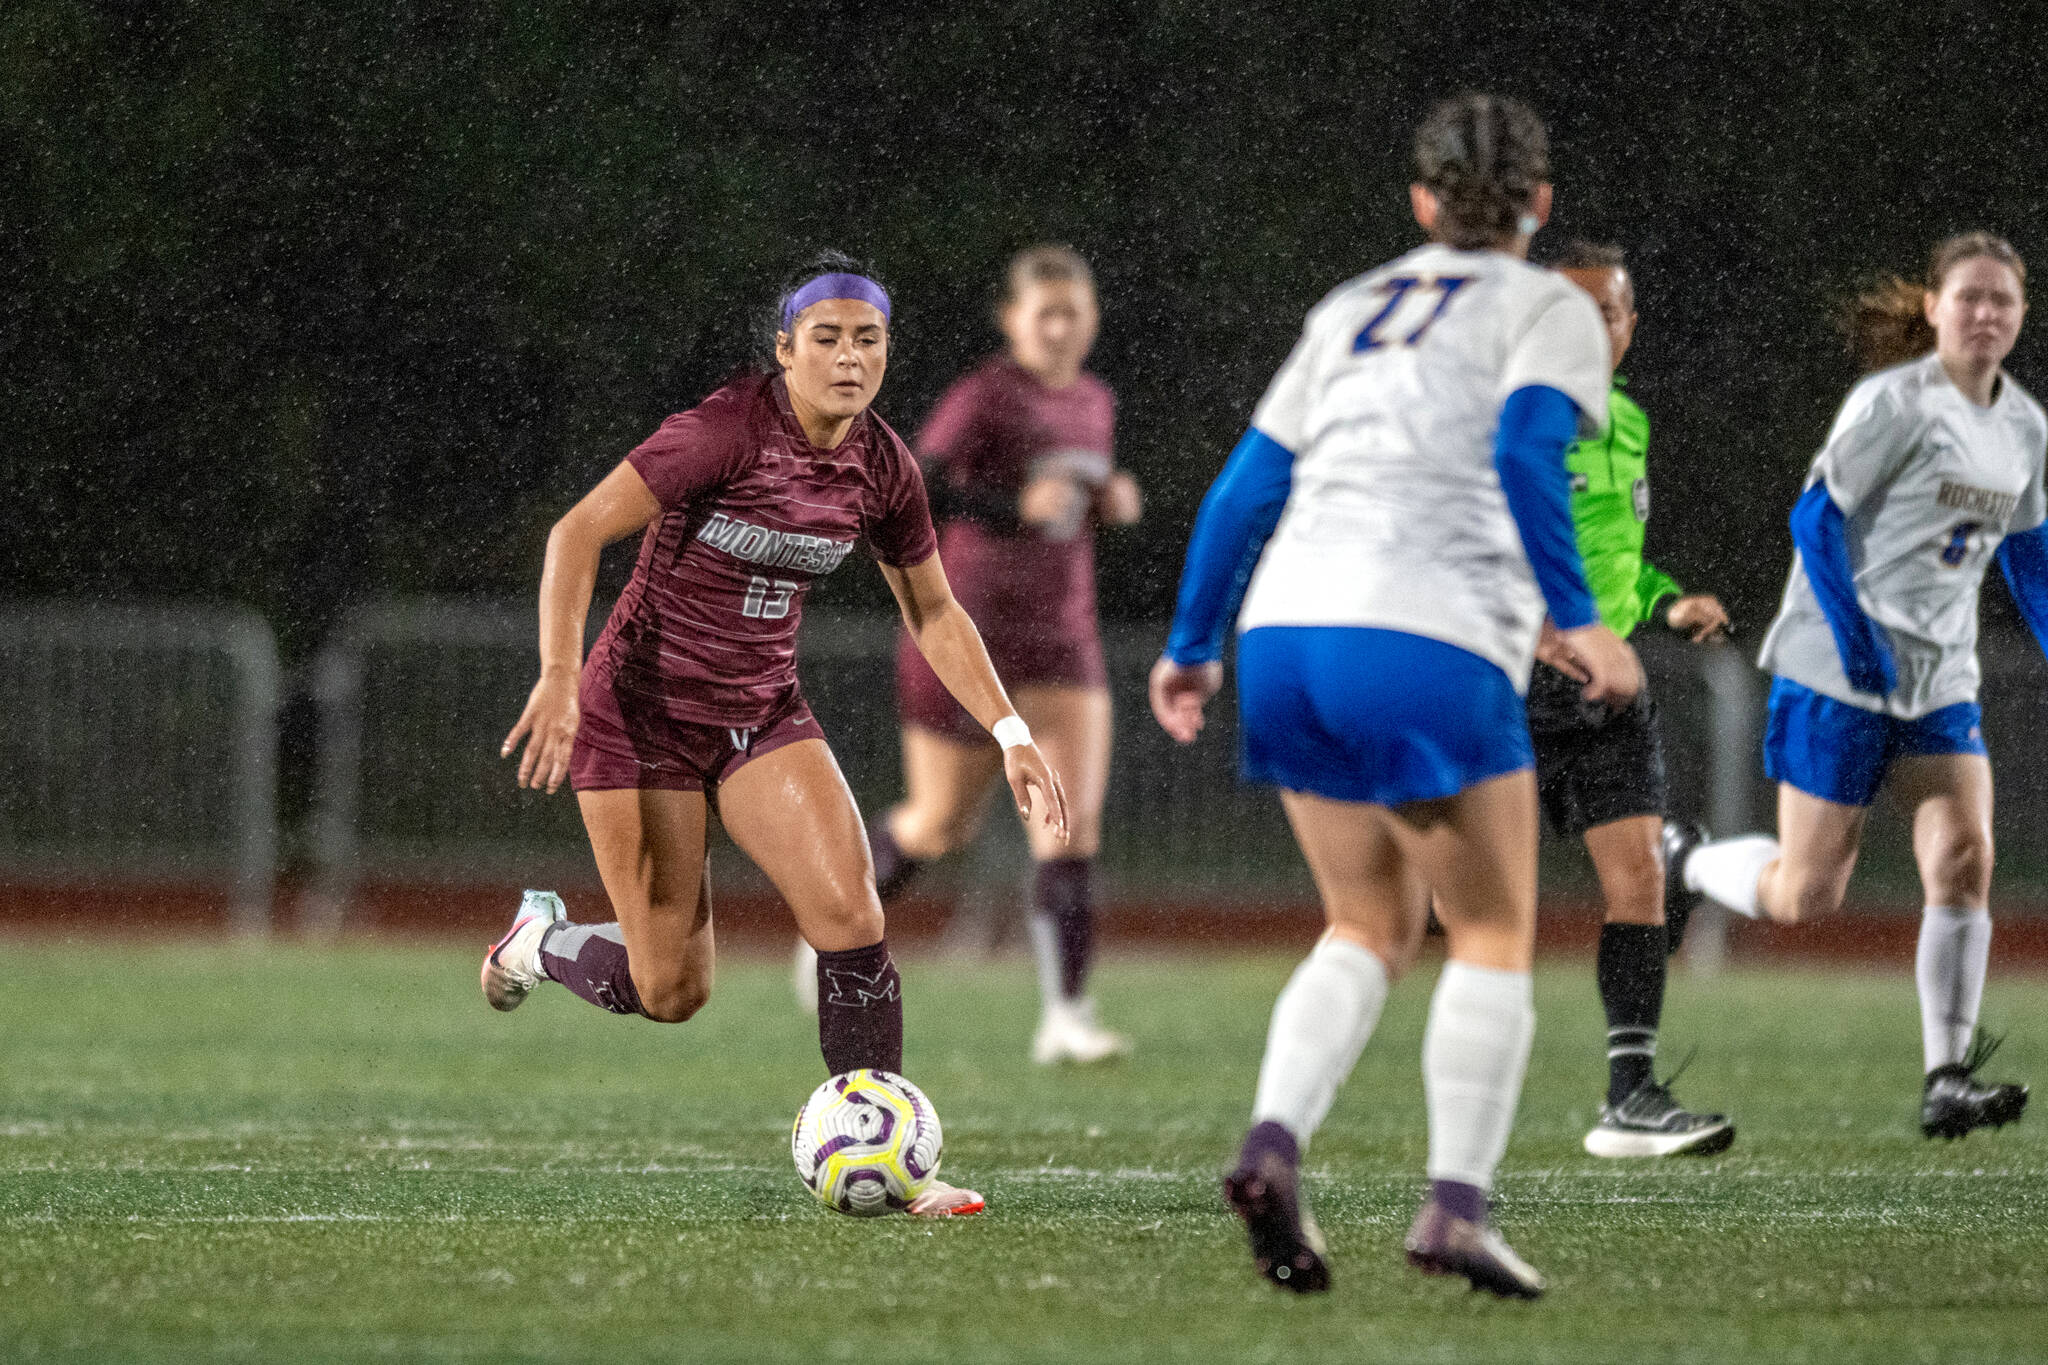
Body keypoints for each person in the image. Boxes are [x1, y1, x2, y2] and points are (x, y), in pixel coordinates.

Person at [1151, 93, 1641, 1299]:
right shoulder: (1547, 305)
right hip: (1422, 635)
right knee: (1488, 930)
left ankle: (1271, 1143)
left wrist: (1189, 644)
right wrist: (1575, 618)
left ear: (1420, 201)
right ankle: (1452, 1212)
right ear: (1536, 200)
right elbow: (1528, 452)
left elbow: (1241, 488)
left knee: (1366, 925)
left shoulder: (1351, 305)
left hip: (1284, 633)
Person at [485, 253, 1071, 1217]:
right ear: (785, 349)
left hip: (761, 711)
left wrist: (1007, 727)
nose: (849, 357)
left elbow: (933, 609)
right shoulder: (724, 429)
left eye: (869, 339)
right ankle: (539, 940)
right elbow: (576, 533)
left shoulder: (883, 463)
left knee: (853, 918)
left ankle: (893, 1166)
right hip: (643, 719)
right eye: (828, 338)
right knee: (669, 988)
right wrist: (557, 675)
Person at [1681, 233, 2042, 1141]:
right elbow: (1814, 517)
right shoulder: (1894, 403)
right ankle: (1682, 857)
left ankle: (1946, 1075)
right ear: (1933, 307)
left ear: (2023, 313)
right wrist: (1854, 640)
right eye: (1969, 297)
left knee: (1964, 858)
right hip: (1836, 675)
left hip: (1940, 680)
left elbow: (2031, 554)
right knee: (1808, 894)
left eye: (2003, 299)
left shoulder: (2025, 425)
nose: (1986, 313)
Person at [793, 246, 1142, 1066]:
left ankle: (1067, 1015)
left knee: (1070, 825)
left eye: (1075, 312)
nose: (1060, 328)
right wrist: (1010, 506)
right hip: (969, 633)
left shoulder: (1095, 399)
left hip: (1065, 636)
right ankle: (828, 930)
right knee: (939, 823)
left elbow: (1066, 504)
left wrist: (1107, 500)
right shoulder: (986, 395)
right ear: (1011, 319)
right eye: (1044, 312)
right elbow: (913, 480)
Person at [1529, 241, 1736, 1159]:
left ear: (1629, 325)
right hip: (1505, 685)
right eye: (1571, 311)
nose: (1593, 328)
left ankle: (1631, 1096)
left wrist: (1664, 599)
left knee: (1638, 879)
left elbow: (1611, 559)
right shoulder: (1511, 418)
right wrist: (1534, 628)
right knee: (1445, 912)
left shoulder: (1629, 421)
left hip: (1606, 685)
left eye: (1608, 312)